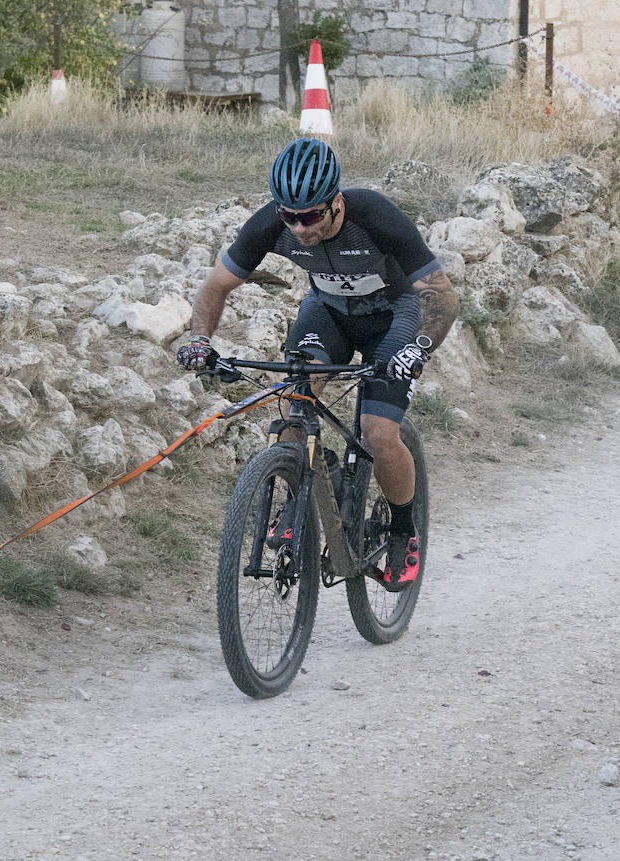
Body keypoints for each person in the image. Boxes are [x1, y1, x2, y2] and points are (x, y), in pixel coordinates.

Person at [176, 138, 459, 592]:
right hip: (329, 314)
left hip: (394, 318)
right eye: (290, 217)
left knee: (378, 431)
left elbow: (440, 294)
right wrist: (199, 340)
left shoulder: (376, 216)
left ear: (336, 203)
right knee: (293, 402)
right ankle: (294, 490)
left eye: (310, 217)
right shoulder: (275, 221)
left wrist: (417, 349)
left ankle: (405, 530)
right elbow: (215, 285)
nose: (299, 227)